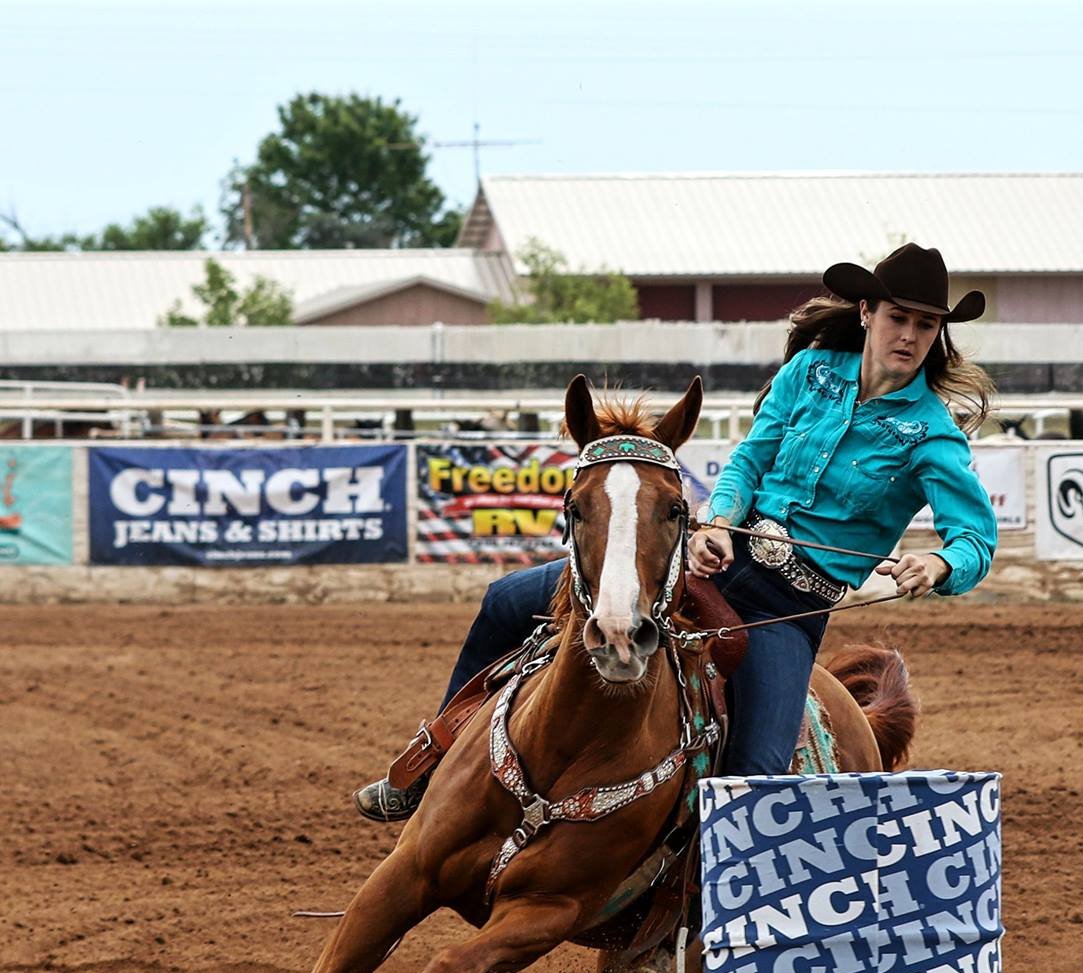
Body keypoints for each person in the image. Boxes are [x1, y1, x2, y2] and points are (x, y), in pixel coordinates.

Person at [354, 241, 1001, 820]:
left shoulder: (932, 435)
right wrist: (717, 522)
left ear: (937, 333)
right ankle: (429, 766)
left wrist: (939, 565)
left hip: (784, 612)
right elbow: (749, 459)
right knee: (504, 601)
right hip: (704, 565)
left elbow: (975, 538)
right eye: (897, 317)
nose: (909, 335)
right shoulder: (810, 373)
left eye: (925, 324)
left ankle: (699, 902)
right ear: (866, 312)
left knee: (756, 776)